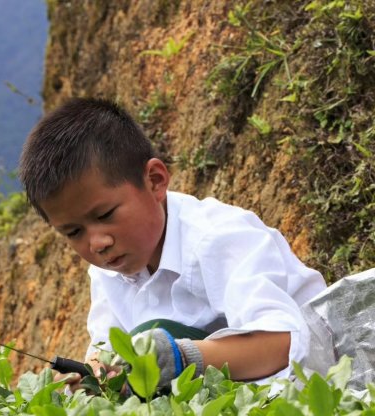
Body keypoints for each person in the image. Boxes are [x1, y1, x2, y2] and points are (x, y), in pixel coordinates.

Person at [18, 97, 327, 392]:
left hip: (313, 380)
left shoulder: (218, 237)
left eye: (105, 214)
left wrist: (184, 358)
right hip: (224, 409)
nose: (97, 243)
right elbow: (105, 348)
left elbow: (285, 343)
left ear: (155, 181)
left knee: (154, 336)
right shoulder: (108, 270)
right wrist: (93, 375)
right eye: (73, 232)